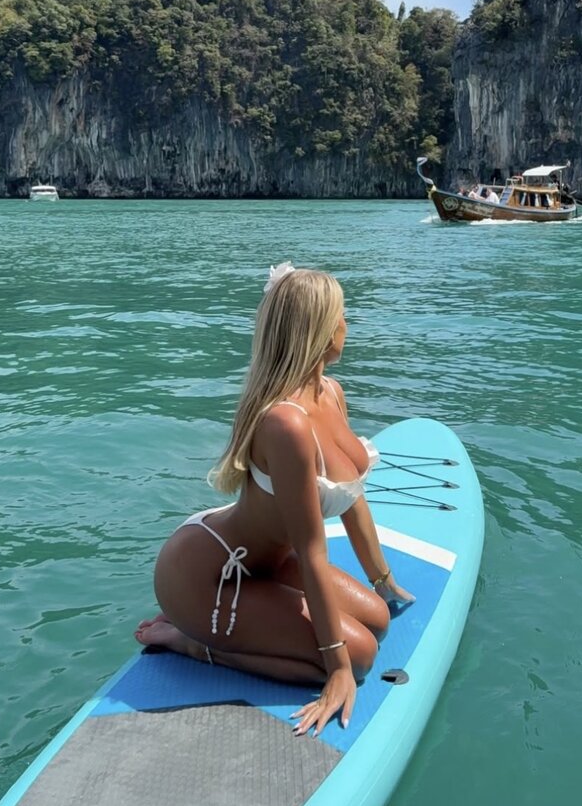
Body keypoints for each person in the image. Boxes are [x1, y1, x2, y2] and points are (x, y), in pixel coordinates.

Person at [135, 263, 414, 736]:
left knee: (378, 618)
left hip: (267, 563)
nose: (348, 325)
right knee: (361, 655)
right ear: (321, 329)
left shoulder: (331, 393)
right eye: (342, 315)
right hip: (206, 577)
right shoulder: (286, 423)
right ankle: (193, 642)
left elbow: (351, 497)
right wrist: (337, 667)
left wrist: (383, 580)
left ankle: (237, 630)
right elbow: (311, 550)